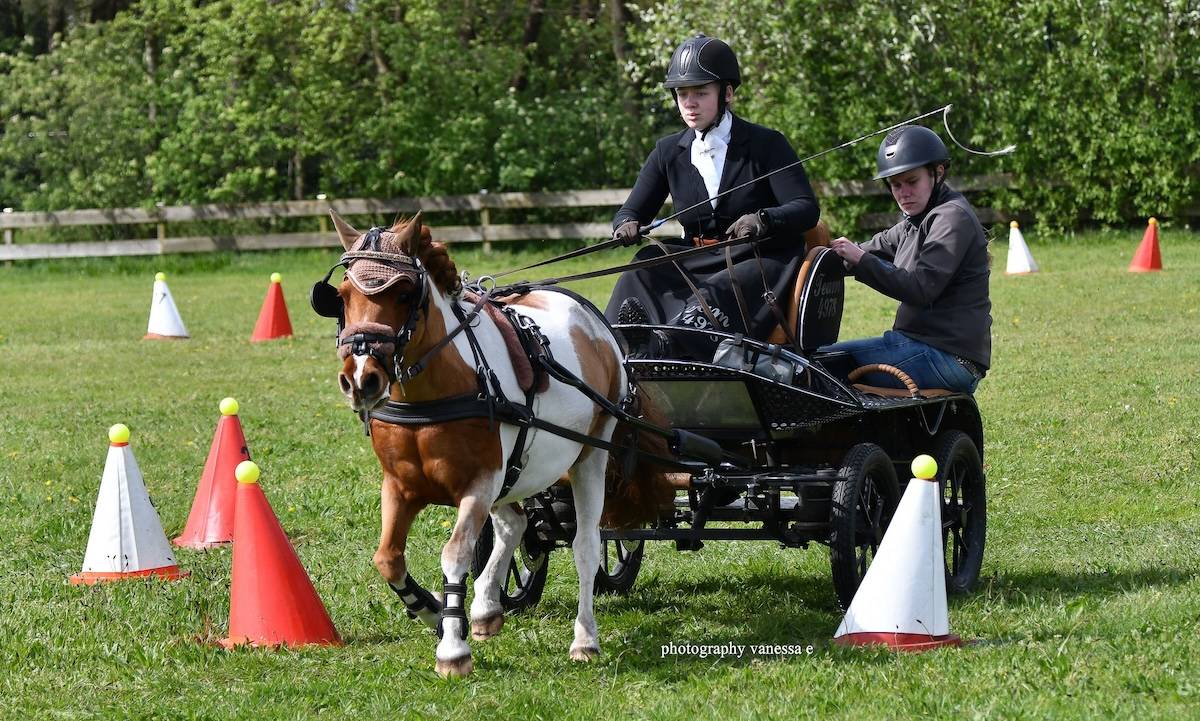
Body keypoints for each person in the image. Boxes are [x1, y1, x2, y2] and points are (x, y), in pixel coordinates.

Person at [603, 34, 820, 356]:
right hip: (697, 256)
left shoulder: (767, 144)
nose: (689, 103)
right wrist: (626, 224)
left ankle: (668, 345)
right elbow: (631, 211)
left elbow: (806, 208)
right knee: (642, 267)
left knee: (720, 287)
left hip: (757, 257)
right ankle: (613, 344)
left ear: (727, 93)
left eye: (700, 93)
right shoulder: (667, 151)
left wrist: (764, 218)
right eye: (682, 94)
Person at [823, 125, 991, 394]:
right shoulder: (915, 221)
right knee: (818, 362)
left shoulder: (951, 218)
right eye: (895, 185)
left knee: (818, 366)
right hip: (922, 347)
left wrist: (860, 259)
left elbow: (920, 288)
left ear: (938, 173)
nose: (903, 193)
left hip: (948, 357)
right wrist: (814, 256)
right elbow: (866, 250)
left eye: (912, 182)